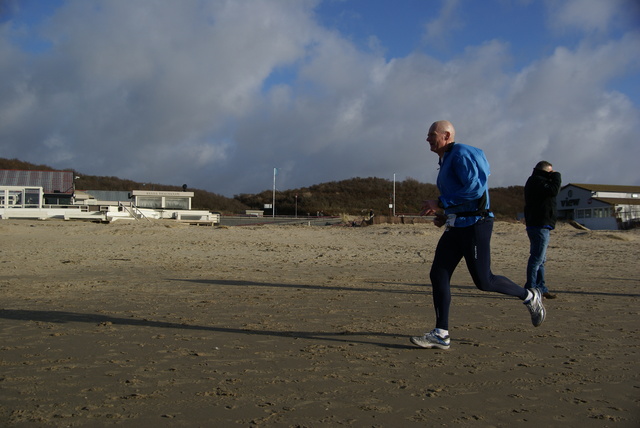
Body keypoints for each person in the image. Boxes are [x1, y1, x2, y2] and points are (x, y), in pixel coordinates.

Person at [410, 120, 545, 350]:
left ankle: (530, 296)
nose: (427, 139)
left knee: (484, 281)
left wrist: (441, 202)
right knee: (438, 274)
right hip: (457, 224)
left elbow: (475, 188)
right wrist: (445, 214)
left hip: (476, 224)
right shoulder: (445, 160)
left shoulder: (462, 153)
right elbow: (461, 194)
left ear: (447, 135)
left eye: (432, 134)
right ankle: (441, 333)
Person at [524, 161, 562, 299]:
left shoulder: (535, 181)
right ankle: (531, 287)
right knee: (537, 258)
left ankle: (541, 287)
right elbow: (554, 190)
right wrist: (557, 175)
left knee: (540, 259)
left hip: (537, 224)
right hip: (539, 225)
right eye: (550, 172)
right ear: (546, 171)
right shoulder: (537, 182)